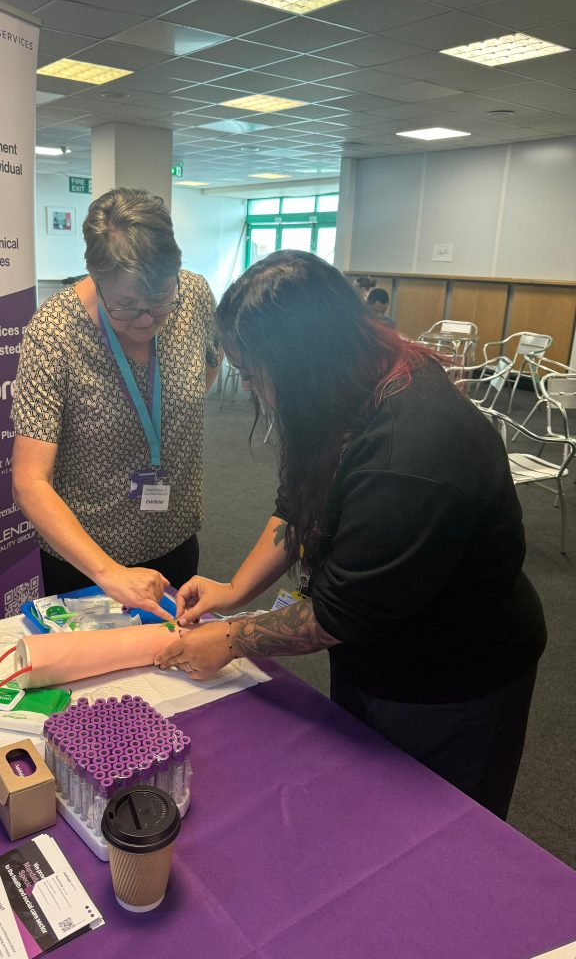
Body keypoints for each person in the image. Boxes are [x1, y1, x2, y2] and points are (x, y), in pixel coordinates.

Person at [155, 249, 546, 819]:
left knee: (439, 831)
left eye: (254, 373)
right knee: (367, 804)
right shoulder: (345, 387)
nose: (252, 389)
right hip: (379, 644)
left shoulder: (410, 450)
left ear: (299, 364)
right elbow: (297, 506)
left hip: (454, 676)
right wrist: (234, 591)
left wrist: (234, 637)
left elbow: (340, 614)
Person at [12, 188, 221, 620]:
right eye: (127, 306)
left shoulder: (195, 296)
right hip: (87, 561)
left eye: (161, 300)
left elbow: (210, 362)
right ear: (94, 275)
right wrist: (108, 571)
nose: (146, 319)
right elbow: (29, 481)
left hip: (175, 535)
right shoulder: (54, 332)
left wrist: (173, 413)